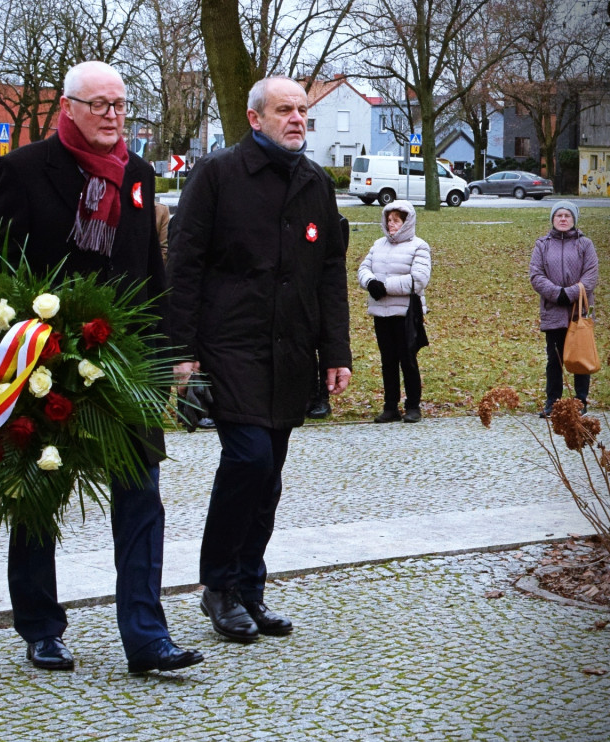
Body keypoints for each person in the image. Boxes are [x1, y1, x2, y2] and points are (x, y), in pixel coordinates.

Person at [0, 60, 204, 676]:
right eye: (100, 104)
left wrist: (167, 352)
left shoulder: (136, 173)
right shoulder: (23, 170)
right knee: (39, 490)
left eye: (121, 104)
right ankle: (41, 626)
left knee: (141, 495)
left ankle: (146, 634)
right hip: (44, 359)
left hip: (124, 361)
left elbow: (149, 272)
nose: (113, 115)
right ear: (69, 108)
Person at [168, 76, 352, 644]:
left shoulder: (315, 181)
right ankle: (218, 587)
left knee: (268, 475)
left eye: (301, 110)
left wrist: (336, 352)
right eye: (283, 110)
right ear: (254, 118)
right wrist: (181, 350)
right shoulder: (219, 174)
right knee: (246, 459)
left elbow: (329, 273)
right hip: (231, 345)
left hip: (291, 348)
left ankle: (250, 587)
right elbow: (185, 262)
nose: (296, 118)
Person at [357, 201, 432, 424]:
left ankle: (413, 406)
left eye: (396, 221)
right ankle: (390, 406)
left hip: (406, 314)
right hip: (381, 313)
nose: (391, 224)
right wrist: (370, 282)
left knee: (407, 359)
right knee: (387, 360)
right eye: (389, 220)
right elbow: (363, 268)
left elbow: (418, 280)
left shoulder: (419, 246)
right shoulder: (378, 245)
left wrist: (385, 286)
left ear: (406, 222)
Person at [529, 200, 599, 416]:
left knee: (580, 355)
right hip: (553, 310)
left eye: (567, 216)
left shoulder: (585, 244)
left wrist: (568, 294)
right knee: (555, 357)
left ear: (574, 219)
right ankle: (553, 402)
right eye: (558, 215)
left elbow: (591, 275)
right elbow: (536, 275)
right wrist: (556, 294)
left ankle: (580, 401)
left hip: (578, 310)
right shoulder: (542, 244)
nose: (562, 219)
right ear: (553, 219)